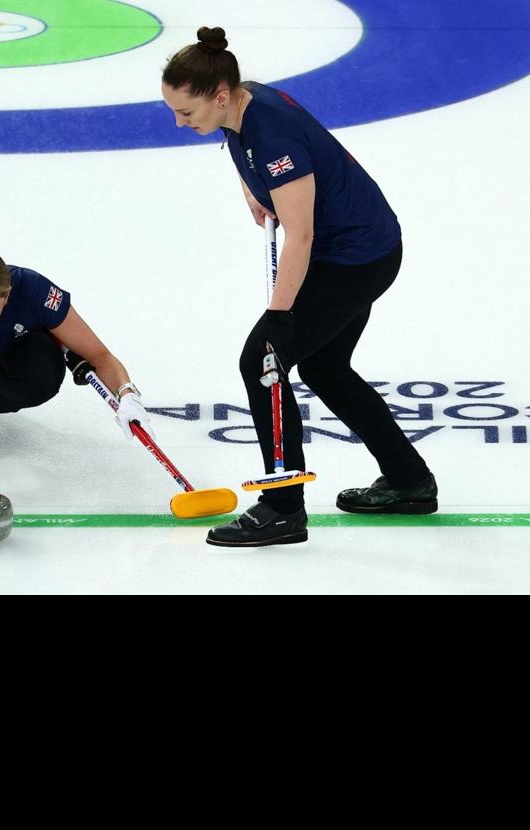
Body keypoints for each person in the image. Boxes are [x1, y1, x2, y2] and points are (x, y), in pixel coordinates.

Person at [161, 26, 439, 548]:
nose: (180, 122)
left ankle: (283, 507)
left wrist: (279, 315)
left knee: (261, 362)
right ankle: (409, 479)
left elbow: (302, 233)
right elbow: (236, 146)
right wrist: (253, 191)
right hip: (363, 244)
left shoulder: (273, 132)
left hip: (355, 256)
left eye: (186, 113)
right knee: (324, 366)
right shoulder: (240, 102)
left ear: (219, 96)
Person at [0, 247, 148, 483]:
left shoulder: (34, 290)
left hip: (10, 347)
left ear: (7, 296)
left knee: (45, 371)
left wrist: (127, 394)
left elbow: (99, 355)